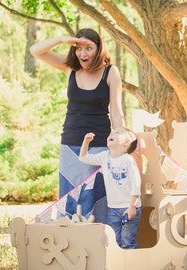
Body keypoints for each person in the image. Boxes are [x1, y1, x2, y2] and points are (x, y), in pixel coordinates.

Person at [30, 28, 125, 221]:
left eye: (89, 48)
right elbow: (35, 50)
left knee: (94, 195)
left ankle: (97, 243)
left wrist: (121, 140)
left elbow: (116, 111)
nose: (83, 53)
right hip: (70, 144)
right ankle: (69, 241)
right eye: (79, 48)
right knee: (69, 197)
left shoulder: (110, 72)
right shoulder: (70, 68)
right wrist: (61, 39)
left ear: (99, 49)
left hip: (98, 146)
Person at [79, 127, 142, 249]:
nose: (111, 134)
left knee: (127, 240)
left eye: (117, 133)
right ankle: (118, 265)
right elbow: (83, 157)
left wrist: (132, 206)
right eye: (111, 133)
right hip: (113, 208)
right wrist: (86, 141)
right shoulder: (105, 156)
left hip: (129, 207)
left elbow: (136, 183)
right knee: (115, 240)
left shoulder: (128, 160)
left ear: (126, 142)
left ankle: (129, 264)